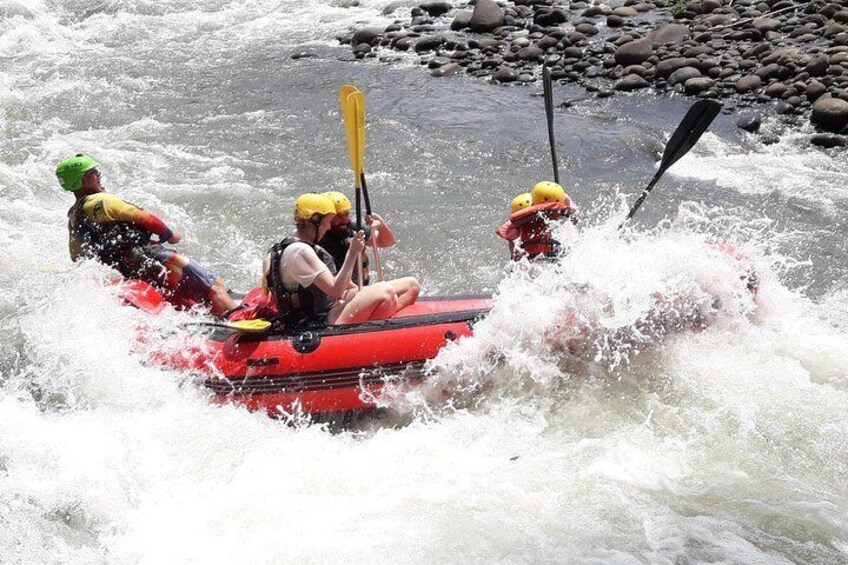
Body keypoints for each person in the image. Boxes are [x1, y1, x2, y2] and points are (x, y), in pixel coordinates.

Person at [57, 154, 236, 316]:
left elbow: (76, 256)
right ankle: (236, 323)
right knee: (214, 286)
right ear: (85, 179)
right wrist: (170, 234)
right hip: (152, 257)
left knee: (180, 297)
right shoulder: (101, 201)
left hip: (130, 269)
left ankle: (209, 327)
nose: (99, 175)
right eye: (94, 172)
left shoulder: (74, 217)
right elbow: (144, 218)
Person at [257, 193, 402, 326]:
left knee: (387, 294)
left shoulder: (289, 245)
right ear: (315, 221)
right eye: (327, 222)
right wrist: (352, 253)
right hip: (311, 323)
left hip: (308, 318)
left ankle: (368, 337)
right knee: (385, 292)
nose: (327, 228)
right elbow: (336, 290)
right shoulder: (300, 251)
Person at [319, 191, 419, 312]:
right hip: (343, 294)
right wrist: (371, 294)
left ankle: (387, 312)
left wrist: (379, 223)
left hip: (359, 289)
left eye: (346, 214)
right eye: (338, 216)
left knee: (413, 287)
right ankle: (381, 312)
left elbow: (386, 242)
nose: (344, 219)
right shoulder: (323, 241)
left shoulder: (350, 227)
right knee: (388, 293)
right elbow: (340, 283)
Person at [496, 181, 576, 261]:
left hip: (530, 250)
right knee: (563, 250)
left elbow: (511, 242)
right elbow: (572, 213)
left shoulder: (521, 220)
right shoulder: (550, 212)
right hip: (548, 247)